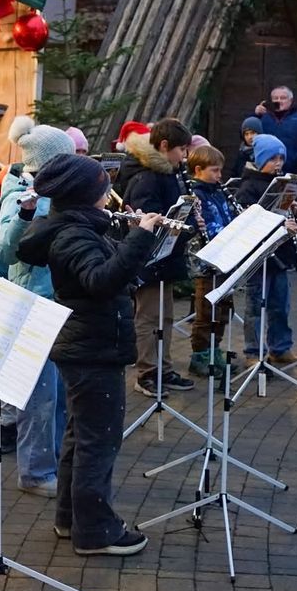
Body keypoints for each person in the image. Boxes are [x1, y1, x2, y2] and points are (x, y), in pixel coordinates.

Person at [16, 154, 161, 556]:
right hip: (91, 347)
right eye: (103, 185)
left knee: (81, 435)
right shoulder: (72, 235)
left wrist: (138, 236)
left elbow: (110, 266)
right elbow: (100, 281)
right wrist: (141, 237)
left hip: (89, 343)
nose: (109, 191)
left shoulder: (78, 226)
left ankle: (69, 517)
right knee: (99, 441)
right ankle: (96, 531)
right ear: (87, 194)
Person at [0, 119, 76, 496]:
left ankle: (55, 461)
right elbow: (6, 252)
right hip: (33, 301)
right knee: (39, 395)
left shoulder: (61, 194)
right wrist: (27, 214)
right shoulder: (17, 195)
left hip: (59, 299)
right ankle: (35, 472)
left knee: (58, 391)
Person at [116, 117, 196, 396]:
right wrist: (178, 224)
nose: (184, 157)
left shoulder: (166, 173)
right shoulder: (146, 177)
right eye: (181, 150)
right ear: (164, 146)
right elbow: (148, 219)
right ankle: (147, 372)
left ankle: (164, 367)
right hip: (151, 259)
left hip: (167, 256)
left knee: (166, 317)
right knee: (149, 317)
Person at [234, 135, 297, 365]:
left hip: (280, 252)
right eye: (273, 158)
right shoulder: (248, 187)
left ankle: (280, 347)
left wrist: (292, 211)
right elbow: (249, 222)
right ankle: (253, 351)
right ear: (261, 158)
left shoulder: (282, 183)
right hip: (259, 255)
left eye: (281, 157)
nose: (279, 162)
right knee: (255, 306)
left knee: (280, 305)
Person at [185, 144, 235, 378]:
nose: (219, 175)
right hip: (205, 263)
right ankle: (200, 356)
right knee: (205, 312)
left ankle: (215, 350)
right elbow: (204, 225)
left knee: (223, 310)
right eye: (215, 171)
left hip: (225, 259)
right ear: (198, 169)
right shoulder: (195, 194)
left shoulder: (219, 191)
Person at [252, 85, 297, 174]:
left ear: (290, 100)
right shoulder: (263, 118)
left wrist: (296, 159)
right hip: (266, 172)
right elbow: (249, 136)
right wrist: (255, 115)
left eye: (283, 98)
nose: (279, 101)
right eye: (275, 98)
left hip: (293, 171)